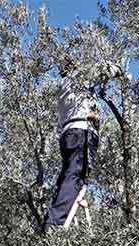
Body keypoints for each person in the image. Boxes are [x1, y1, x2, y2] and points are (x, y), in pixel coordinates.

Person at [43, 58, 121, 233]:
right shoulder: (77, 80)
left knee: (68, 175)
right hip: (81, 132)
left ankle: (52, 220)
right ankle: (56, 224)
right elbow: (106, 70)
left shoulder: (65, 87)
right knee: (75, 175)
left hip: (69, 134)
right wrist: (118, 70)